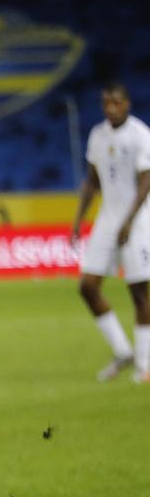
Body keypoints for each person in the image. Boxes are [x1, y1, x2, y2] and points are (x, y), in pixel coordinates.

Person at [71, 81, 150, 383]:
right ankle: (122, 351)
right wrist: (78, 218)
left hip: (138, 220)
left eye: (116, 103)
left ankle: (144, 365)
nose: (111, 109)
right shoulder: (98, 135)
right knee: (88, 287)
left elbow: (146, 182)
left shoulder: (141, 135)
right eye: (106, 104)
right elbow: (92, 181)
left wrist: (129, 222)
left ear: (127, 103)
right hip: (107, 218)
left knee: (139, 294)